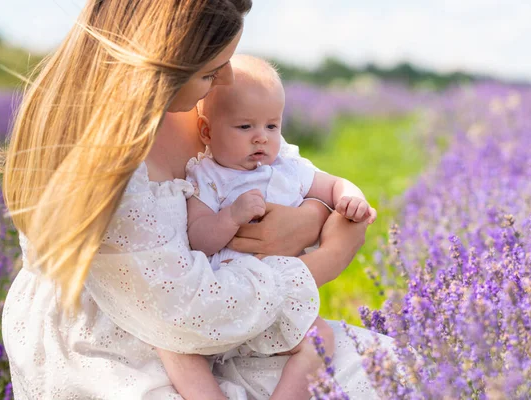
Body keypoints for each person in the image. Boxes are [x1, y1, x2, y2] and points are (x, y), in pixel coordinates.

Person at [0, 1, 394, 398]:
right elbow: (187, 313)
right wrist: (328, 258)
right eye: (209, 71)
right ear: (163, 65)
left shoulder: (192, 107)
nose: (227, 78)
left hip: (229, 315)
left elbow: (283, 172)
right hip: (134, 347)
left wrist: (313, 214)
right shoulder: (111, 166)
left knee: (396, 367)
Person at [156, 54, 378, 400]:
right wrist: (229, 218)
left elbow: (334, 185)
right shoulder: (208, 177)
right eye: (245, 127)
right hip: (220, 301)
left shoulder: (288, 168)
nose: (261, 138)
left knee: (319, 341)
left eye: (271, 126)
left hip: (276, 304)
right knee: (177, 348)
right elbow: (196, 238)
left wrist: (352, 197)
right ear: (207, 131)